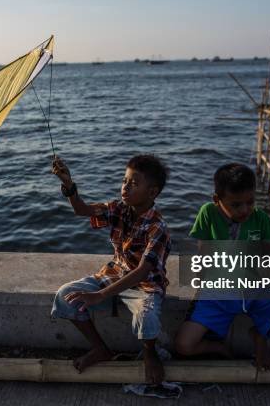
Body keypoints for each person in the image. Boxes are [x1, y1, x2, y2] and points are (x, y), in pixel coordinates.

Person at [175, 163, 270, 371]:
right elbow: (203, 253)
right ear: (218, 200)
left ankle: (260, 334)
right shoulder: (208, 213)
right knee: (184, 345)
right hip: (219, 294)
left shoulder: (259, 218)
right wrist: (199, 286)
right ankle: (217, 347)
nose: (245, 209)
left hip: (255, 291)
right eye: (236, 204)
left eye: (250, 202)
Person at [51, 154, 171, 384]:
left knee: (147, 317)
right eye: (124, 180)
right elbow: (82, 210)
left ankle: (149, 354)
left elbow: (143, 272)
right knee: (65, 295)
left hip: (144, 285)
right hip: (113, 275)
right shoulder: (118, 209)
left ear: (152, 192)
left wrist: (99, 296)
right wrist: (68, 184)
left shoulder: (158, 227)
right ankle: (101, 349)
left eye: (134, 183)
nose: (125, 187)